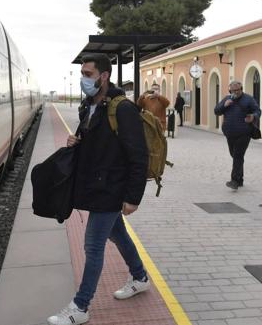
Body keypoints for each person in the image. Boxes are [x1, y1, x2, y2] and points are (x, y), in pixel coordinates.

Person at [47, 53, 150, 325]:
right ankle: (140, 277)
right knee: (118, 236)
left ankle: (80, 307)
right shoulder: (89, 106)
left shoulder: (123, 109)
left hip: (111, 189)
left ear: (104, 76)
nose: (83, 79)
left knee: (92, 246)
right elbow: (93, 141)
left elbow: (139, 156)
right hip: (96, 186)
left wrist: (133, 198)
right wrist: (75, 141)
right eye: (82, 74)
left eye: (88, 74)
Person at [214, 80, 261, 190]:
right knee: (234, 155)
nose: (235, 92)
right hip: (230, 133)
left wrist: (253, 116)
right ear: (230, 90)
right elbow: (216, 111)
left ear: (241, 89)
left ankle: (234, 180)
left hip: (244, 132)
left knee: (238, 155)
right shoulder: (227, 99)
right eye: (233, 90)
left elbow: (257, 111)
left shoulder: (248, 99)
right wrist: (224, 106)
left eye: (237, 90)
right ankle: (240, 179)